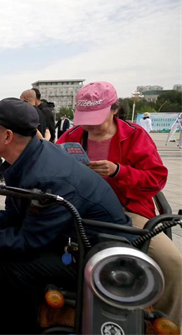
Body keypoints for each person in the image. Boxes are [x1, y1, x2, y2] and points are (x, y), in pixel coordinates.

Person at [0, 98, 133, 335]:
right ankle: (2, 326)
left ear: (7, 136)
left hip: (98, 257)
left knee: (12, 264)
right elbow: (17, 218)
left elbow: (28, 242)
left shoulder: (49, 177)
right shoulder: (30, 158)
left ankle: (19, 329)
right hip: (70, 240)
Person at [57, 81, 180, 324]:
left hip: (127, 212)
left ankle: (166, 324)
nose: (90, 125)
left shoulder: (135, 136)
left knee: (174, 265)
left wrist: (118, 172)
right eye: (86, 118)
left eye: (97, 118)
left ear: (114, 110)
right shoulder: (71, 136)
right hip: (80, 210)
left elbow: (156, 179)